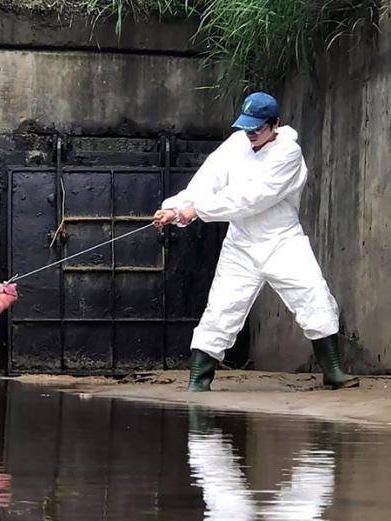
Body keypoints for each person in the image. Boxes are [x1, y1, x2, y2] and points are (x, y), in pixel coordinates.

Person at [153, 91, 358, 392]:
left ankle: (333, 370)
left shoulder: (289, 153)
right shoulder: (237, 145)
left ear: (275, 124)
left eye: (257, 128)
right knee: (221, 309)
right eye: (246, 127)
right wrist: (175, 209)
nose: (250, 133)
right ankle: (198, 380)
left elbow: (253, 198)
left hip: (282, 240)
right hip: (241, 243)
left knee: (313, 294)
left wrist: (197, 210)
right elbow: (207, 180)